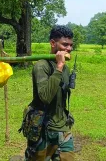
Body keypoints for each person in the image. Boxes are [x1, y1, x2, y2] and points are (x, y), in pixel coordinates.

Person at [24, 25, 75, 161]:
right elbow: (45, 97)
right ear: (53, 43)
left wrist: (61, 67)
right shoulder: (41, 66)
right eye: (65, 45)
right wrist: (58, 67)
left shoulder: (66, 67)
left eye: (71, 45)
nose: (69, 49)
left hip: (63, 127)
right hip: (43, 128)